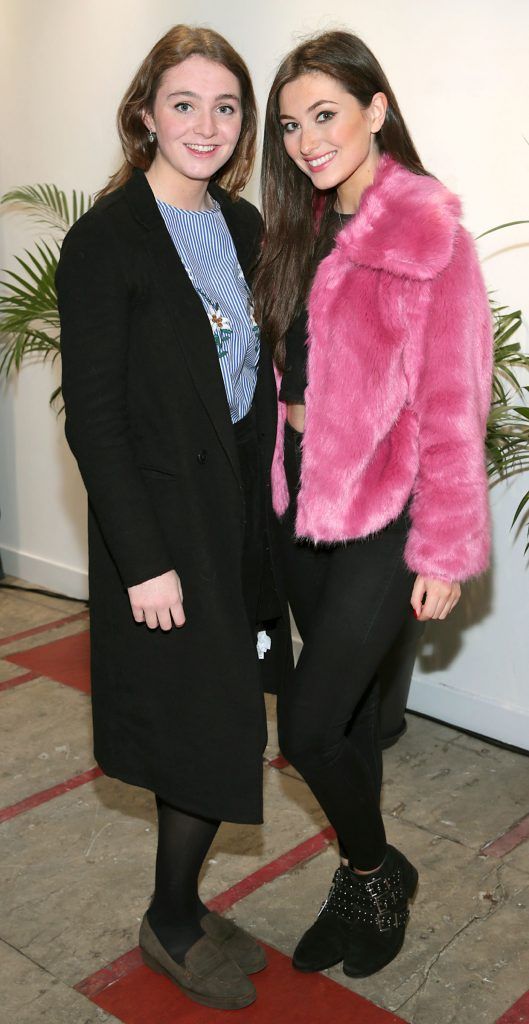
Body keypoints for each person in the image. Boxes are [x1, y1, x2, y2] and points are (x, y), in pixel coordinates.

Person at [56, 25, 290, 1011]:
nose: (206, 123)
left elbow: (252, 375)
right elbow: (96, 418)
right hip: (161, 529)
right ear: (145, 112)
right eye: (184, 102)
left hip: (235, 515)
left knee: (224, 714)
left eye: (226, 105)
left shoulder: (240, 227)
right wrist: (142, 559)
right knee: (201, 722)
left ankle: (180, 900)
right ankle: (169, 918)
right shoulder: (105, 240)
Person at [253, 30, 492, 980]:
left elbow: (452, 404)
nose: (308, 139)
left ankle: (371, 865)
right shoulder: (295, 229)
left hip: (386, 514)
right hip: (299, 503)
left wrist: (442, 551)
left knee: (306, 727)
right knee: (342, 720)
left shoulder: (430, 234)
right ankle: (365, 880)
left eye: (325, 113)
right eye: (291, 123)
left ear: (375, 108)